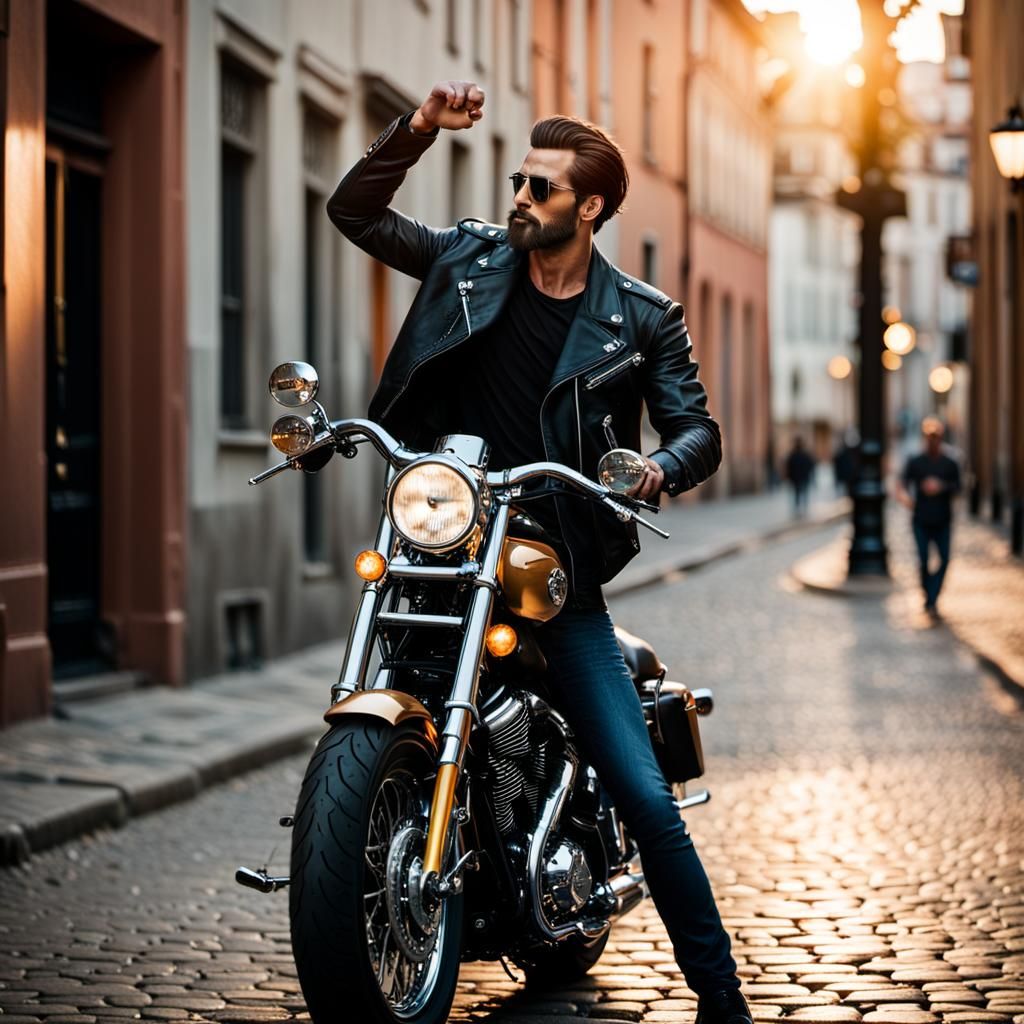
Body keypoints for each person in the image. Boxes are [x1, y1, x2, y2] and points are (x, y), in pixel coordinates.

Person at [327, 80, 752, 1024]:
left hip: (555, 579)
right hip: (442, 547)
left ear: (590, 206)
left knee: (645, 797)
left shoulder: (641, 316)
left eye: (541, 188)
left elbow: (699, 431)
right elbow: (353, 210)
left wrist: (653, 467)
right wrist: (419, 130)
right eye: (518, 181)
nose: (519, 197)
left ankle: (723, 1000)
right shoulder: (468, 259)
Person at [896, 417, 961, 614]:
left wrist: (941, 486)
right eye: (929, 437)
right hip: (921, 519)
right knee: (923, 560)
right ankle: (928, 594)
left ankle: (932, 597)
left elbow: (958, 487)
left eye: (936, 437)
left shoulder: (950, 463)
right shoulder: (916, 462)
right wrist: (907, 501)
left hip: (943, 519)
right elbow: (902, 485)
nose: (933, 441)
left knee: (944, 559)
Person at [784, 436, 815, 516]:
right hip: (802, 477)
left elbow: (788, 467)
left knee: (797, 493)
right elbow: (810, 465)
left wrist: (789, 476)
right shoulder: (804, 454)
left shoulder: (793, 455)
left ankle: (799, 508)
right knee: (803, 492)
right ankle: (803, 507)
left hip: (797, 478)